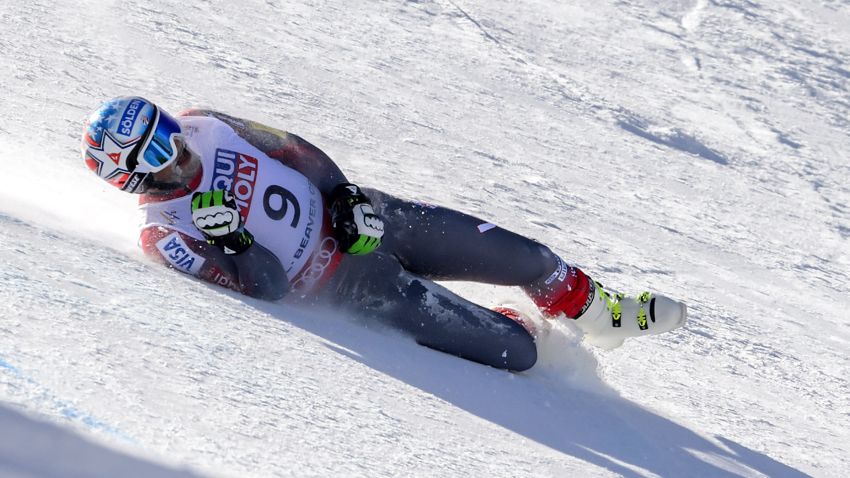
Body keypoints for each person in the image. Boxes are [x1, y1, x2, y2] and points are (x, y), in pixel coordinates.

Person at [80, 96, 687, 372]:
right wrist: (234, 243)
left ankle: (599, 310)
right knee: (519, 354)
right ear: (130, 176)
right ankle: (530, 326)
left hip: (373, 220)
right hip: (356, 288)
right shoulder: (165, 237)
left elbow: (294, 151)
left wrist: (342, 193)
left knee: (528, 257)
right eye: (156, 152)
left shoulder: (204, 125)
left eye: (167, 131)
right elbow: (262, 290)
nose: (177, 150)